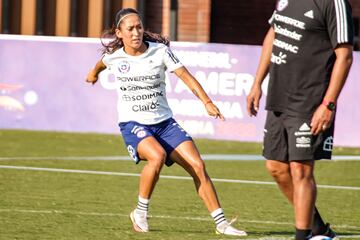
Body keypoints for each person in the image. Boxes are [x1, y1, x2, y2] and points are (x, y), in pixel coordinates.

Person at [86, 8, 247, 237]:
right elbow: (101, 64)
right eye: (130, 28)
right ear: (119, 33)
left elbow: (186, 76)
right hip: (133, 124)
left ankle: (221, 224)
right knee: (157, 155)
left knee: (198, 167)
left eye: (139, 27)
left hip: (165, 124)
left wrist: (207, 102)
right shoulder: (115, 57)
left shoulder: (160, 52)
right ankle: (140, 212)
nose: (136, 32)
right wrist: (92, 74)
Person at [247, 0, 354, 239]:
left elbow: (345, 56)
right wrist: (257, 82)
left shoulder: (334, 3)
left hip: (310, 100)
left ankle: (302, 235)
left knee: (300, 169)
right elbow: (273, 34)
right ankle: (318, 229)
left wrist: (328, 104)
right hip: (279, 95)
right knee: (275, 167)